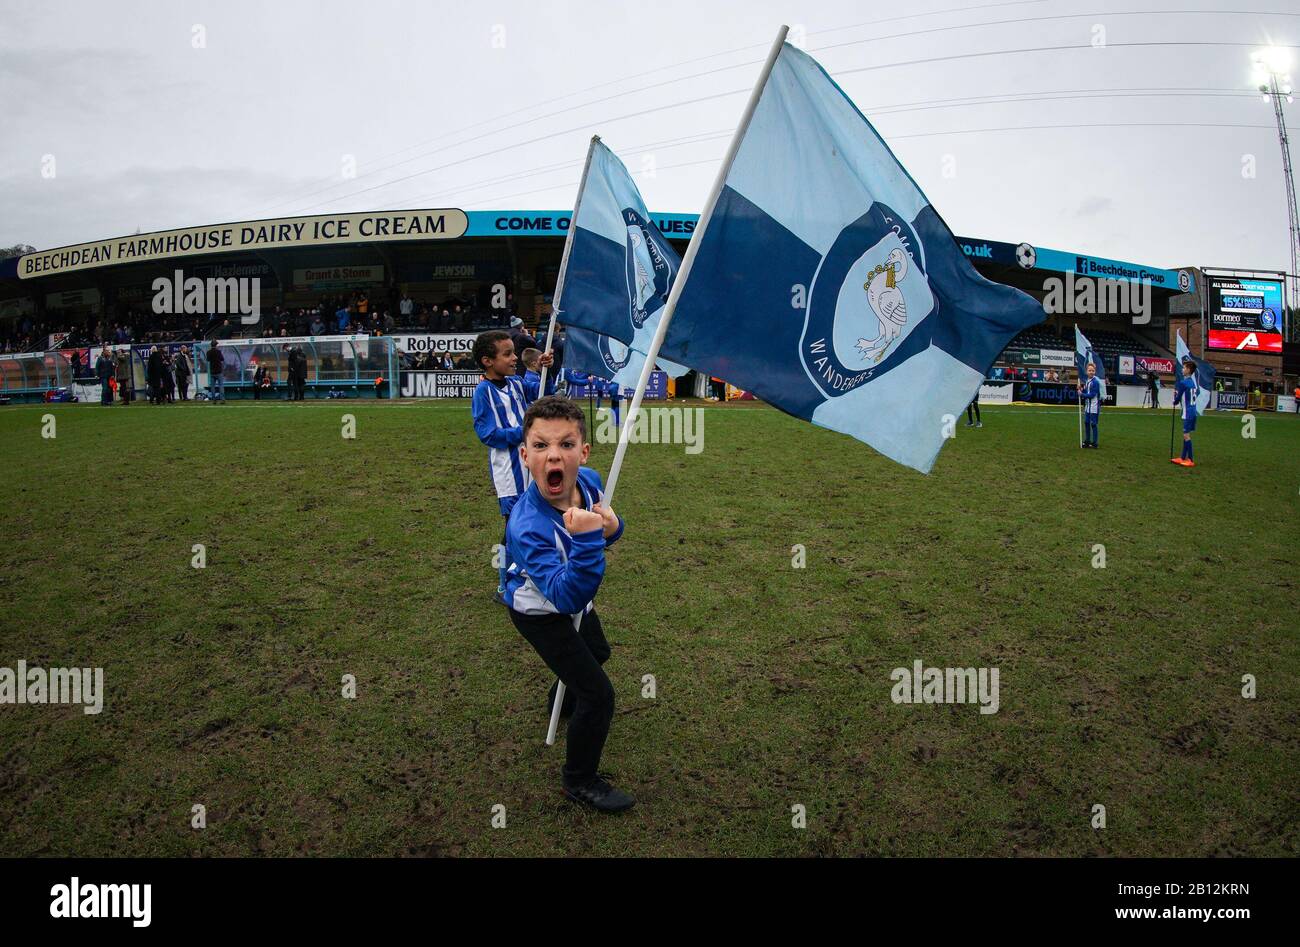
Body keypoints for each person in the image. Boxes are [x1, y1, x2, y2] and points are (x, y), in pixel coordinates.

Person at [503, 395, 633, 813]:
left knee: (598, 652)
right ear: (525, 455)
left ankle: (559, 705)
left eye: (565, 444)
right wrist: (590, 539)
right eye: (540, 446)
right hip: (540, 612)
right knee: (599, 695)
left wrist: (611, 528)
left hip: (574, 599)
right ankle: (579, 780)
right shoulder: (526, 526)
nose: (553, 455)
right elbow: (566, 595)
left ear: (583, 451)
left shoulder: (591, 480)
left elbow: (608, 530)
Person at [471, 330, 552, 601]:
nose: (514, 357)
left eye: (513, 352)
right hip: (509, 472)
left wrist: (543, 368)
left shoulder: (516, 383)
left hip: (531, 465)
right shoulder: (483, 393)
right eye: (507, 354)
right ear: (487, 361)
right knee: (513, 527)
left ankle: (534, 572)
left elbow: (543, 395)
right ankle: (504, 582)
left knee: (537, 518)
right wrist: (523, 432)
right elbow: (488, 434)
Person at [1172, 360, 1200, 467]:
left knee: (1186, 435)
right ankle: (1183, 457)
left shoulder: (1183, 383)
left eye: (1184, 368)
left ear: (1188, 370)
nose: (1182, 369)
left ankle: (1191, 459)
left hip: (1188, 411)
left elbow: (1178, 399)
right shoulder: (1192, 382)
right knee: (1185, 435)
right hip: (1192, 411)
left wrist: (1175, 398)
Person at [1078, 361, 1101, 448]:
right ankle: (1087, 440)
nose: (1091, 372)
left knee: (1093, 424)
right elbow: (1086, 392)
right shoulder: (1087, 381)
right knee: (1086, 423)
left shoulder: (1095, 382)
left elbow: (1092, 395)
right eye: (1089, 370)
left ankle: (1095, 443)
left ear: (1095, 371)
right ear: (1087, 371)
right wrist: (1081, 389)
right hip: (1087, 407)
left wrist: (1082, 394)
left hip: (1094, 407)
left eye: (1093, 370)